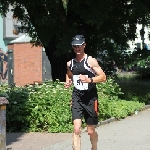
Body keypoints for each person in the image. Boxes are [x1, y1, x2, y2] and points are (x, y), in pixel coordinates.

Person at [64, 35, 106, 150]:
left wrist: (89, 80)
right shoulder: (70, 63)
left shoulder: (90, 61)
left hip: (90, 98)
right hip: (77, 97)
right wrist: (68, 82)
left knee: (90, 131)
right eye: (75, 46)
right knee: (76, 129)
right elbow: (69, 75)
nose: (77, 48)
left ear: (84, 45)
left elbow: (103, 77)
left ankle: (94, 148)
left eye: (79, 46)